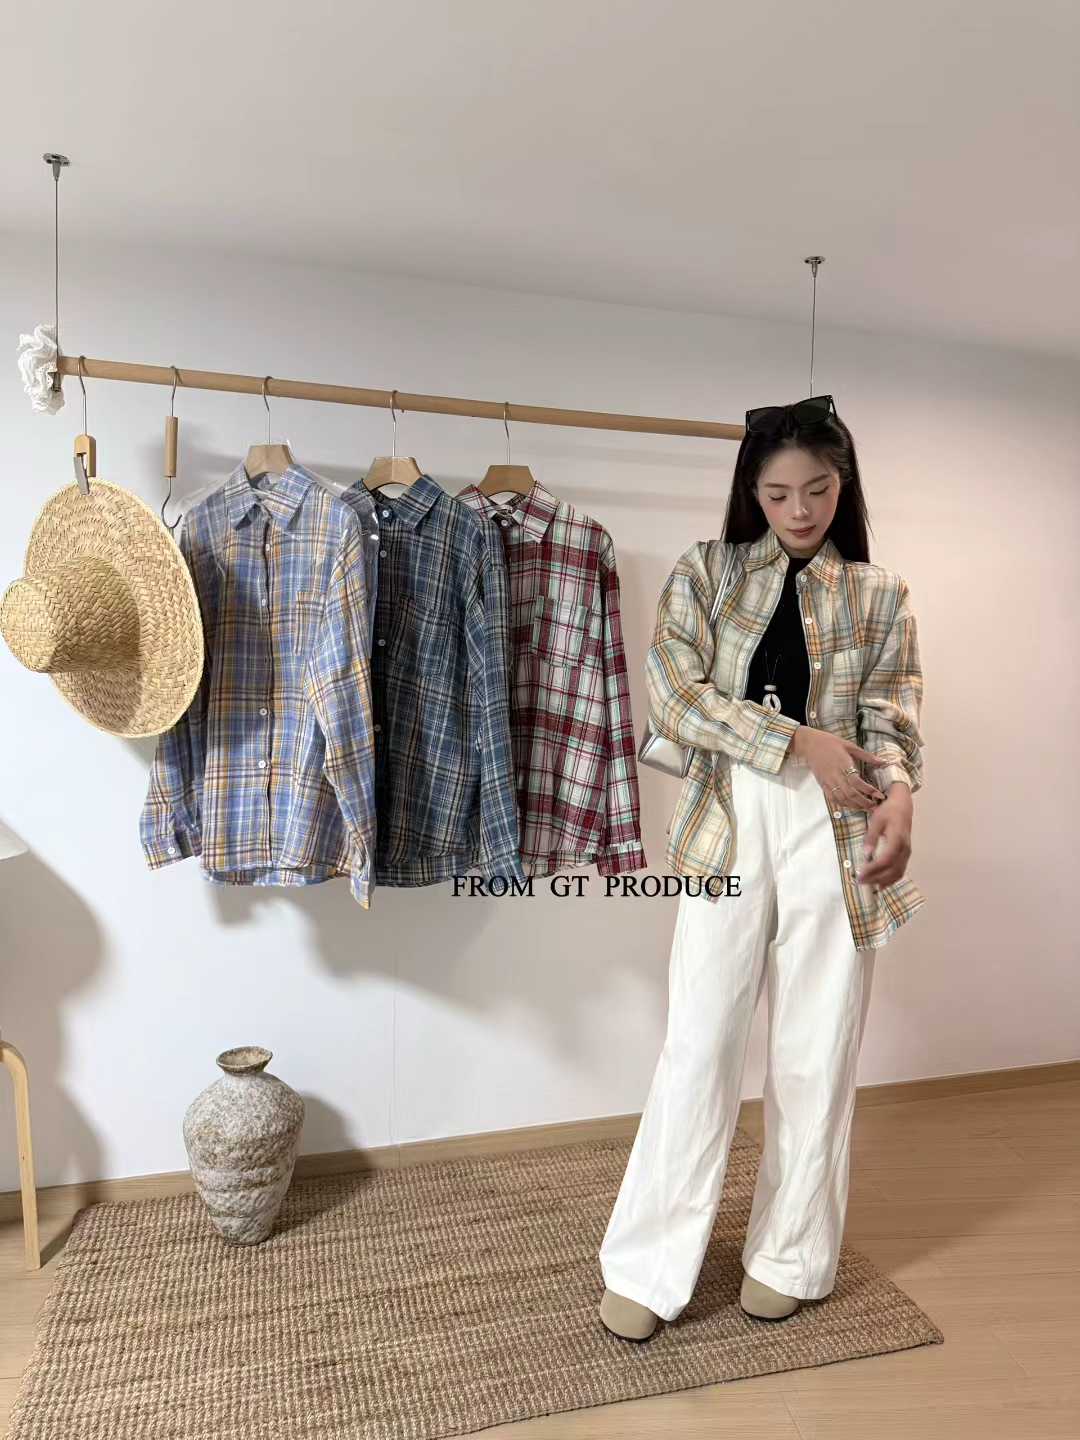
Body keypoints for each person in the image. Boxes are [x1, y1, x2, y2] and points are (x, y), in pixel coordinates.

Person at [598, 395, 925, 1340]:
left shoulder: (881, 593)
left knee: (818, 1049)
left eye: (818, 489)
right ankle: (650, 1264)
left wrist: (899, 794)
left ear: (843, 485)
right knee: (700, 1041)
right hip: (729, 818)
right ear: (752, 491)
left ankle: (791, 1255)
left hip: (839, 825)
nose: (800, 510)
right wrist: (794, 742)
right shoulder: (706, 572)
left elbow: (892, 718)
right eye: (779, 494)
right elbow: (674, 697)